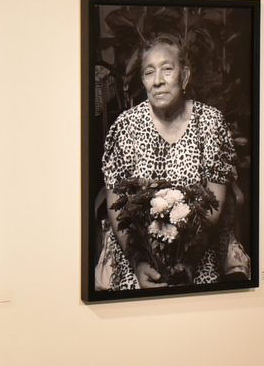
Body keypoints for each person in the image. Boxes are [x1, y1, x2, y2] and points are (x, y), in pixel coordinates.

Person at [94, 32, 247, 290]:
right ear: (142, 80)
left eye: (167, 69)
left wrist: (188, 260)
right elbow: (115, 202)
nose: (158, 82)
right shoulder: (125, 126)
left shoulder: (210, 123)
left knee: (201, 290)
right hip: (137, 245)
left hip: (198, 244)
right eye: (149, 72)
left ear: (184, 76)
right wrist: (137, 262)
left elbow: (215, 200)